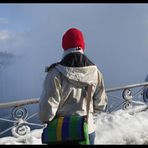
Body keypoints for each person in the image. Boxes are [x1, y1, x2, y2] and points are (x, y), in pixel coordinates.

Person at [39, 27, 108, 145]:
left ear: (64, 45)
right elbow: (100, 104)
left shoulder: (55, 73)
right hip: (86, 130)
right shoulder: (95, 72)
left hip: (61, 133)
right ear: (83, 45)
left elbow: (46, 112)